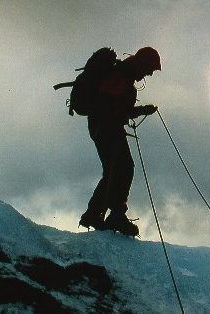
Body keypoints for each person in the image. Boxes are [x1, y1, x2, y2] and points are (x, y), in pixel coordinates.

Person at [79, 47, 161, 236]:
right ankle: (111, 215)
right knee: (122, 169)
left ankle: (98, 214)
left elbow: (114, 105)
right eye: (150, 69)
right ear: (142, 63)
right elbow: (106, 102)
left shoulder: (124, 75)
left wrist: (141, 111)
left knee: (116, 170)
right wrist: (118, 120)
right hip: (107, 128)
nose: (149, 73)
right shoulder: (122, 74)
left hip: (103, 127)